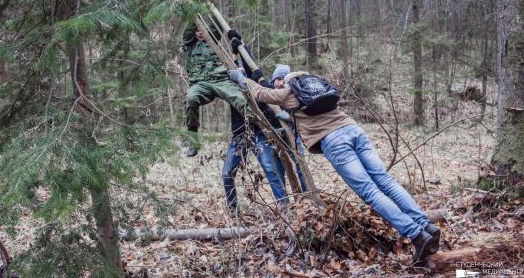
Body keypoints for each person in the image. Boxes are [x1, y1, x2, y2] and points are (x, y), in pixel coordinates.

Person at [227, 67, 441, 263]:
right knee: (385, 181)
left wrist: (241, 77)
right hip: (354, 130)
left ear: (286, 79)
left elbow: (262, 95)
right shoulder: (314, 83)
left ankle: (416, 235)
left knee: (369, 191)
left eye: (279, 81)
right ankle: (426, 226)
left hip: (335, 142)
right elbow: (299, 113)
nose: (278, 85)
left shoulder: (290, 90)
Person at [222, 58, 307, 212]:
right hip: (239, 134)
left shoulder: (259, 85)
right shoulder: (229, 86)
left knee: (271, 167)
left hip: (260, 132)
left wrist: (240, 45)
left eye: (242, 68)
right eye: (238, 68)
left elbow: (269, 95)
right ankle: (233, 210)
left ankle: (285, 206)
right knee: (227, 172)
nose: (280, 82)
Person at [181, 23, 249, 157]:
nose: (200, 33)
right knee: (190, 99)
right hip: (200, 84)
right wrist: (192, 7)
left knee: (241, 99)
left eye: (202, 30)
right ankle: (193, 141)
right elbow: (189, 28)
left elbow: (216, 25)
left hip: (221, 80)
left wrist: (208, 3)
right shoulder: (190, 45)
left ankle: (259, 128)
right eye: (197, 31)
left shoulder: (213, 42)